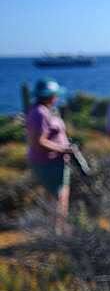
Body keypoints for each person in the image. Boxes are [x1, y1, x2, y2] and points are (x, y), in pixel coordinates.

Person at [25, 79, 72, 233]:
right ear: (50, 95)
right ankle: (57, 231)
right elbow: (38, 142)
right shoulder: (40, 113)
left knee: (53, 197)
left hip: (51, 162)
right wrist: (62, 149)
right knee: (59, 197)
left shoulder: (42, 110)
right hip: (50, 162)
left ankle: (56, 228)